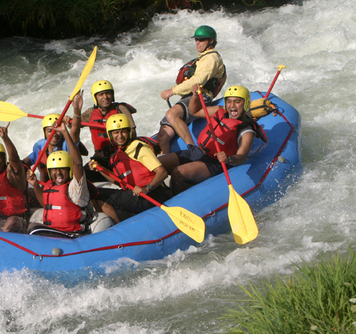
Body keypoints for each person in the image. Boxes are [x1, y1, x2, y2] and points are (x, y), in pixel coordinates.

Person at [159, 85, 266, 196]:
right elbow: (195, 111)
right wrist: (195, 96)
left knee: (179, 173)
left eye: (237, 102)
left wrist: (228, 158)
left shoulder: (246, 130)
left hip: (215, 163)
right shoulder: (220, 111)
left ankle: (175, 200)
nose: (232, 106)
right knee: (158, 164)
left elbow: (242, 156)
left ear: (246, 103)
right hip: (199, 151)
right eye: (229, 102)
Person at [24, 119, 113, 237]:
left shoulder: (75, 186)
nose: (58, 173)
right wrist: (35, 185)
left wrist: (65, 132)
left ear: (69, 170)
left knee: (33, 229)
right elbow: (46, 204)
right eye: (54, 170)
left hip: (73, 234)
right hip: (56, 231)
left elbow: (77, 163)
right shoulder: (50, 185)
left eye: (62, 169)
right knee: (31, 228)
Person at [89, 114, 170, 224]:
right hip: (135, 195)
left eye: (123, 131)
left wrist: (147, 188)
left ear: (128, 132)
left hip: (152, 194)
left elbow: (162, 172)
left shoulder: (138, 147)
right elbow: (120, 183)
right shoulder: (115, 157)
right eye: (116, 132)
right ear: (111, 135)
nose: (120, 135)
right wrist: (100, 169)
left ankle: (118, 229)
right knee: (96, 193)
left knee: (100, 197)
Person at [158, 25, 226, 154]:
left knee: (172, 114)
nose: (197, 43)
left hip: (201, 96)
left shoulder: (211, 58)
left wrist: (173, 91)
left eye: (201, 40)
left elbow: (198, 80)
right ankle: (167, 162)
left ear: (211, 41)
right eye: (196, 40)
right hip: (189, 97)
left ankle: (192, 149)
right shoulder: (203, 57)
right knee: (163, 136)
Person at [80, 80, 137, 182]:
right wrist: (75, 111)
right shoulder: (91, 112)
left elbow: (132, 133)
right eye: (101, 94)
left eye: (108, 93)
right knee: (81, 176)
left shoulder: (121, 109)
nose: (105, 97)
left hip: (120, 154)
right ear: (95, 97)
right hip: (100, 157)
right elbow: (73, 124)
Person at [22, 92, 83, 182]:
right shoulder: (40, 146)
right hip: (47, 188)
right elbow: (24, 163)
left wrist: (77, 112)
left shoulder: (67, 143)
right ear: (45, 132)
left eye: (58, 131)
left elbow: (75, 130)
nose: (54, 134)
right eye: (50, 131)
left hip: (68, 187)